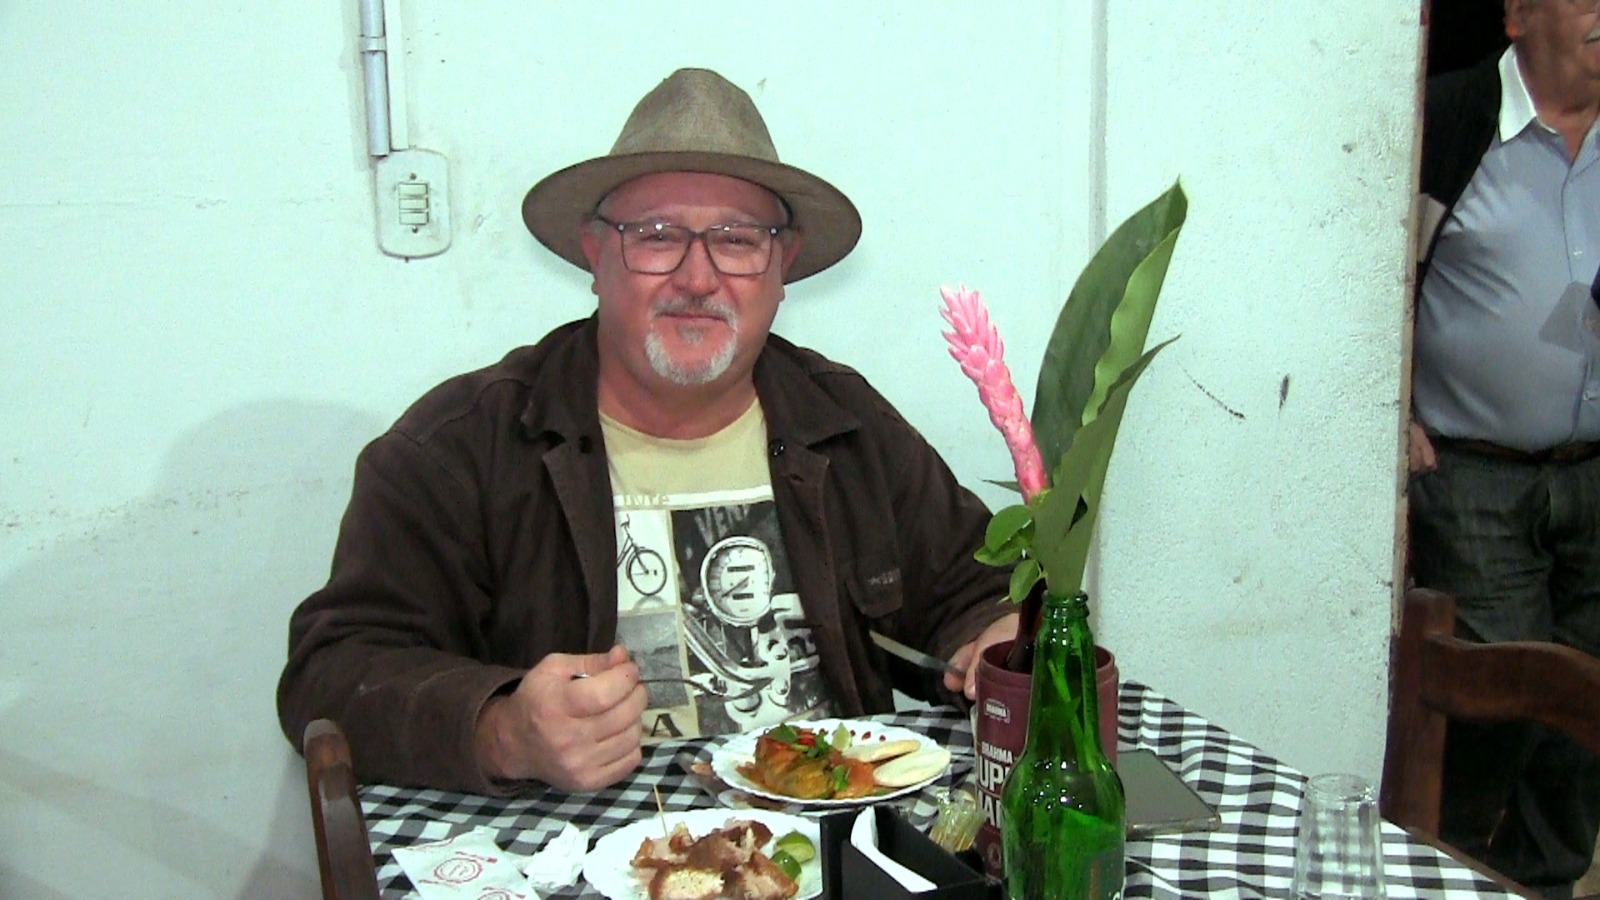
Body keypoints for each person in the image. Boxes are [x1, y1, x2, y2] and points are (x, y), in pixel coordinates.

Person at [276, 67, 1018, 796]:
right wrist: (503, 729)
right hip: (566, 847)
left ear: (782, 265)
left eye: (737, 240)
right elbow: (329, 675)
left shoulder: (846, 426)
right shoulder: (463, 447)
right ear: (595, 253)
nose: (697, 278)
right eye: (657, 237)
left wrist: (998, 638)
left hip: (826, 838)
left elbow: (980, 591)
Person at [1410, 1, 1600, 894]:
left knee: (1586, 708)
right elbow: (1376, 269)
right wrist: (1388, 411)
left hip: (1593, 475)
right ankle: (1458, 872)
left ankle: (1550, 880)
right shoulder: (1450, 121)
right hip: (1474, 474)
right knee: (1496, 693)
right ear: (1520, 14)